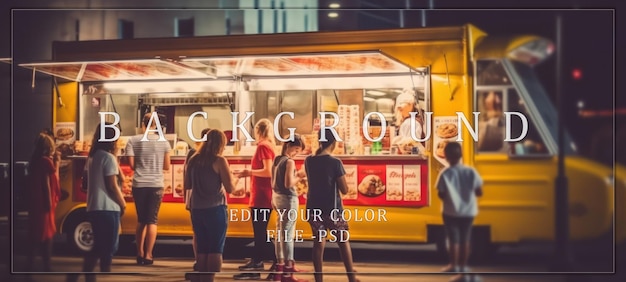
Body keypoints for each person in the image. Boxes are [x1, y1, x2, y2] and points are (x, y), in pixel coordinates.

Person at [69, 123, 127, 282]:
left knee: (99, 245)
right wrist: (122, 203)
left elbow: (86, 183)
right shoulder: (108, 158)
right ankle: (99, 271)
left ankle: (88, 274)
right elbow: (112, 186)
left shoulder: (93, 156)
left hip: (94, 206)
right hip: (108, 207)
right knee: (108, 247)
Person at [303, 128, 359, 282]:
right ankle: (351, 277)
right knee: (342, 241)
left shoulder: (309, 160)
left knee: (318, 242)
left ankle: (319, 278)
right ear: (333, 143)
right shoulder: (335, 162)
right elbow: (344, 189)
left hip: (313, 208)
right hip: (332, 209)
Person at [185, 129, 241, 282]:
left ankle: (202, 278)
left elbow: (187, 185)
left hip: (196, 209)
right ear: (221, 144)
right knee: (215, 248)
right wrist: (236, 179)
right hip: (215, 209)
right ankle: (210, 278)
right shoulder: (219, 160)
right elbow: (230, 188)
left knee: (202, 248)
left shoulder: (193, 160)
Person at [234, 118, 278, 280]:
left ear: (258, 131)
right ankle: (258, 261)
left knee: (260, 232)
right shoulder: (269, 146)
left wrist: (249, 172)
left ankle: (275, 261)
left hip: (262, 196)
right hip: (263, 195)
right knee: (260, 232)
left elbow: (268, 172)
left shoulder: (263, 147)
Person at [125, 113, 172, 265]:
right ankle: (149, 255)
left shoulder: (133, 140)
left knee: (141, 220)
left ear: (143, 123)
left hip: (139, 183)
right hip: (156, 184)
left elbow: (131, 165)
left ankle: (139, 253)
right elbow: (166, 166)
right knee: (152, 221)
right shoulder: (163, 142)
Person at [435, 142, 483, 282]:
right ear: (461, 155)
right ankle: (462, 268)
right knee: (465, 240)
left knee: (453, 240)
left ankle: (453, 265)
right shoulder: (470, 171)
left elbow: (441, 194)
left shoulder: (445, 173)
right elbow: (479, 191)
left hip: (451, 212)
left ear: (446, 156)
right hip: (468, 211)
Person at [271, 134, 307, 282]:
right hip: (288, 199)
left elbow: (273, 181)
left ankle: (279, 267)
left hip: (277, 197)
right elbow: (288, 183)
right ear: (289, 146)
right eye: (296, 149)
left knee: (280, 233)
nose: (296, 153)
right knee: (288, 235)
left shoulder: (277, 159)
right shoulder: (289, 162)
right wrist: (300, 175)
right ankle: (288, 271)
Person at [26, 133, 61, 272]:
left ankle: (30, 264)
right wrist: (48, 203)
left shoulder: (35, 160)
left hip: (35, 202)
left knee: (35, 233)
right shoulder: (46, 161)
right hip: (44, 202)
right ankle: (46, 265)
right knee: (46, 234)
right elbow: (47, 183)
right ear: (48, 147)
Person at [184, 127, 211, 272]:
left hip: (194, 199)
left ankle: (198, 261)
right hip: (209, 201)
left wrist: (185, 198)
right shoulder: (215, 156)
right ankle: (206, 263)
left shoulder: (192, 154)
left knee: (198, 231)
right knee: (209, 232)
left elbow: (186, 179)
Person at [392, 89, 426, 153]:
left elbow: (412, 145)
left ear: (411, 105)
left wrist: (399, 142)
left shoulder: (410, 122)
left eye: (400, 109)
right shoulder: (412, 121)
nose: (399, 109)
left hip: (415, 159)